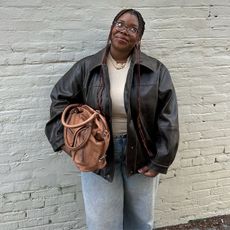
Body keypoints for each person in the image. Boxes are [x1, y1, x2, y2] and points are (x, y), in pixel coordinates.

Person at [45, 8, 179, 230]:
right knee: (102, 223)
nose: (124, 30)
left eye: (132, 28)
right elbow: (59, 101)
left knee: (140, 221)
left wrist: (160, 160)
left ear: (139, 37)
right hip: (97, 154)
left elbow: (168, 118)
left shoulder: (155, 71)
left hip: (142, 154)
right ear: (111, 28)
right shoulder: (87, 67)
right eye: (120, 24)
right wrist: (70, 147)